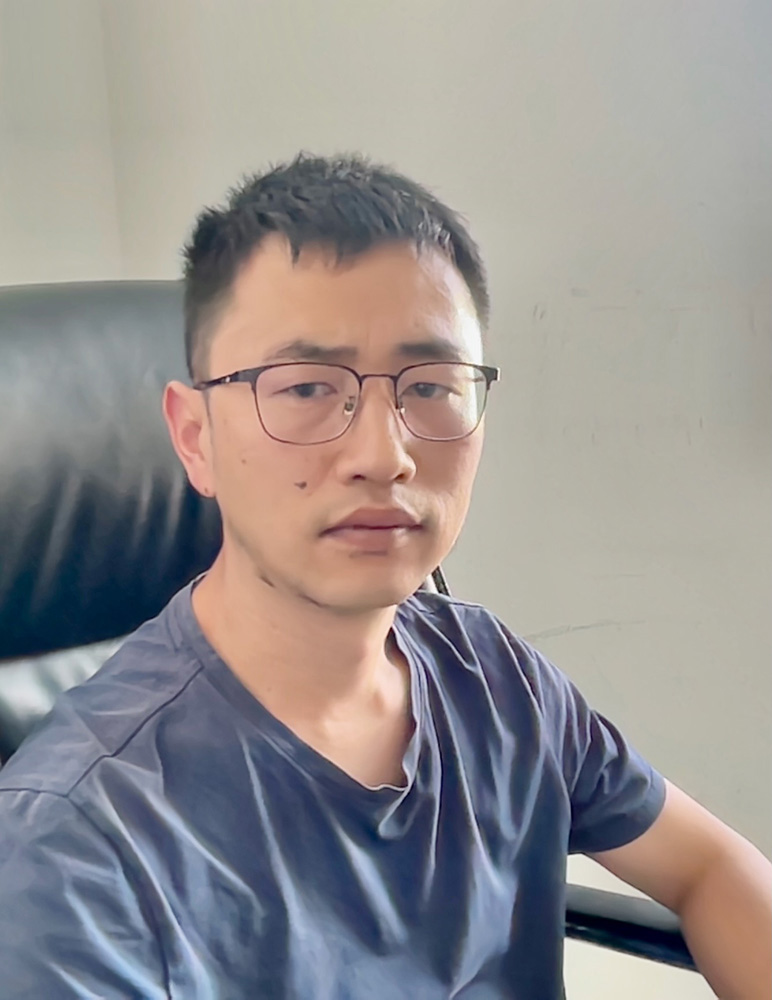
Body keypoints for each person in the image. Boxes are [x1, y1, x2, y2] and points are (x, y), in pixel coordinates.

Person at [0, 154, 769, 1000]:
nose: (383, 454)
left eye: (431, 385)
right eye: (305, 388)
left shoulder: (492, 674)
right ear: (195, 438)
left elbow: (709, 868)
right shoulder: (76, 847)